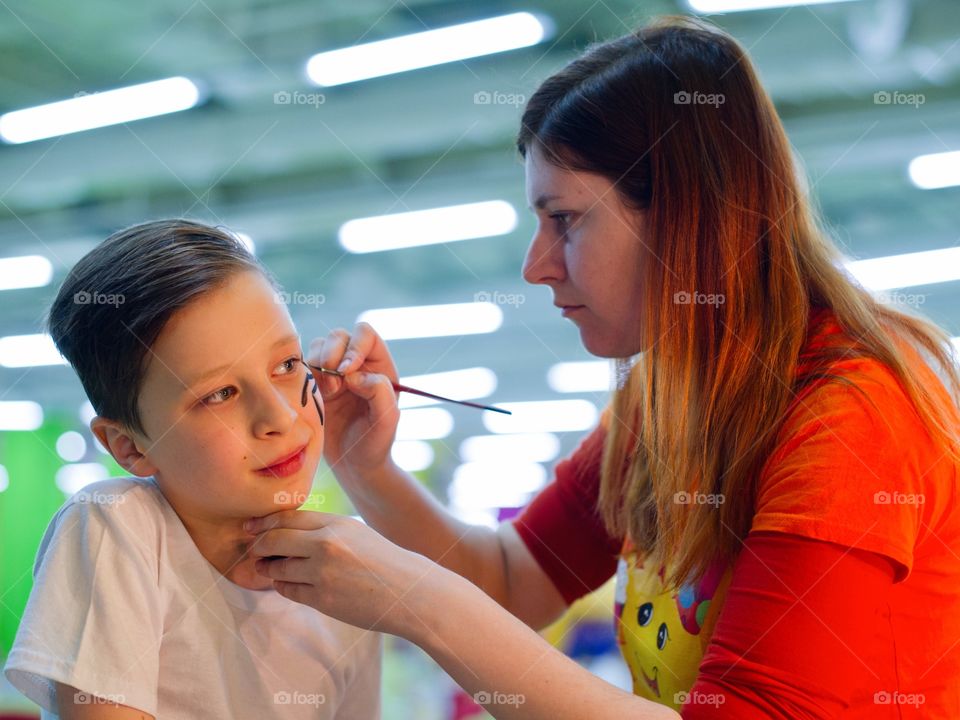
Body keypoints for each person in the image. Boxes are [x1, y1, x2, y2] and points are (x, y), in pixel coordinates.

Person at [246, 14, 960, 719]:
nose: (535, 267)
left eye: (563, 219)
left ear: (688, 215)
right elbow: (511, 581)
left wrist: (420, 605)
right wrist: (364, 464)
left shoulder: (852, 413)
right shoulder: (667, 399)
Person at [3, 220, 381, 719]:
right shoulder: (115, 525)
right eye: (220, 394)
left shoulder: (347, 576)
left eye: (287, 365)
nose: (281, 417)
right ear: (129, 446)